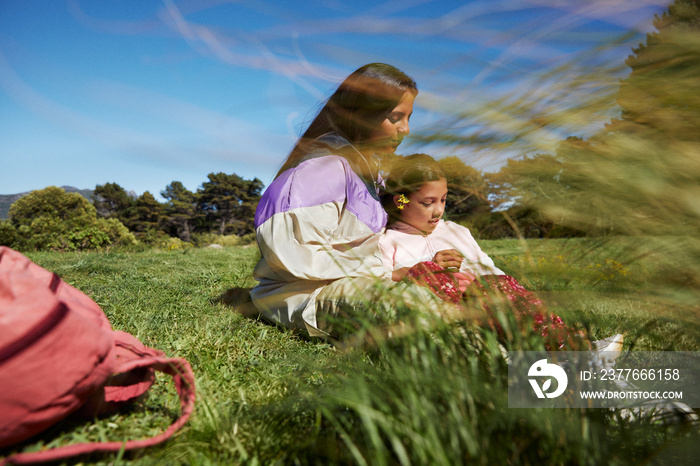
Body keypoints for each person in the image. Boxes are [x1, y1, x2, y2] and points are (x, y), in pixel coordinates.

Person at [248, 63, 456, 340]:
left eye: (408, 118)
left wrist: (423, 262)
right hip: (305, 295)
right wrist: (389, 274)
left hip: (353, 284)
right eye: (394, 117)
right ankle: (518, 375)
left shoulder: (368, 173)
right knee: (432, 314)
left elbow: (397, 206)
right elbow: (296, 257)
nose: (405, 129)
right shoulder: (322, 169)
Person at [378, 153, 586, 350]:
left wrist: (487, 286)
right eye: (427, 203)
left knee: (497, 285)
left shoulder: (456, 231)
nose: (439, 210)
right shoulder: (389, 241)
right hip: (448, 315)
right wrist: (430, 270)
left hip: (486, 303)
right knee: (426, 272)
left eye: (443, 199)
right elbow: (382, 282)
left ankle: (564, 340)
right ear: (401, 201)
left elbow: (490, 269)